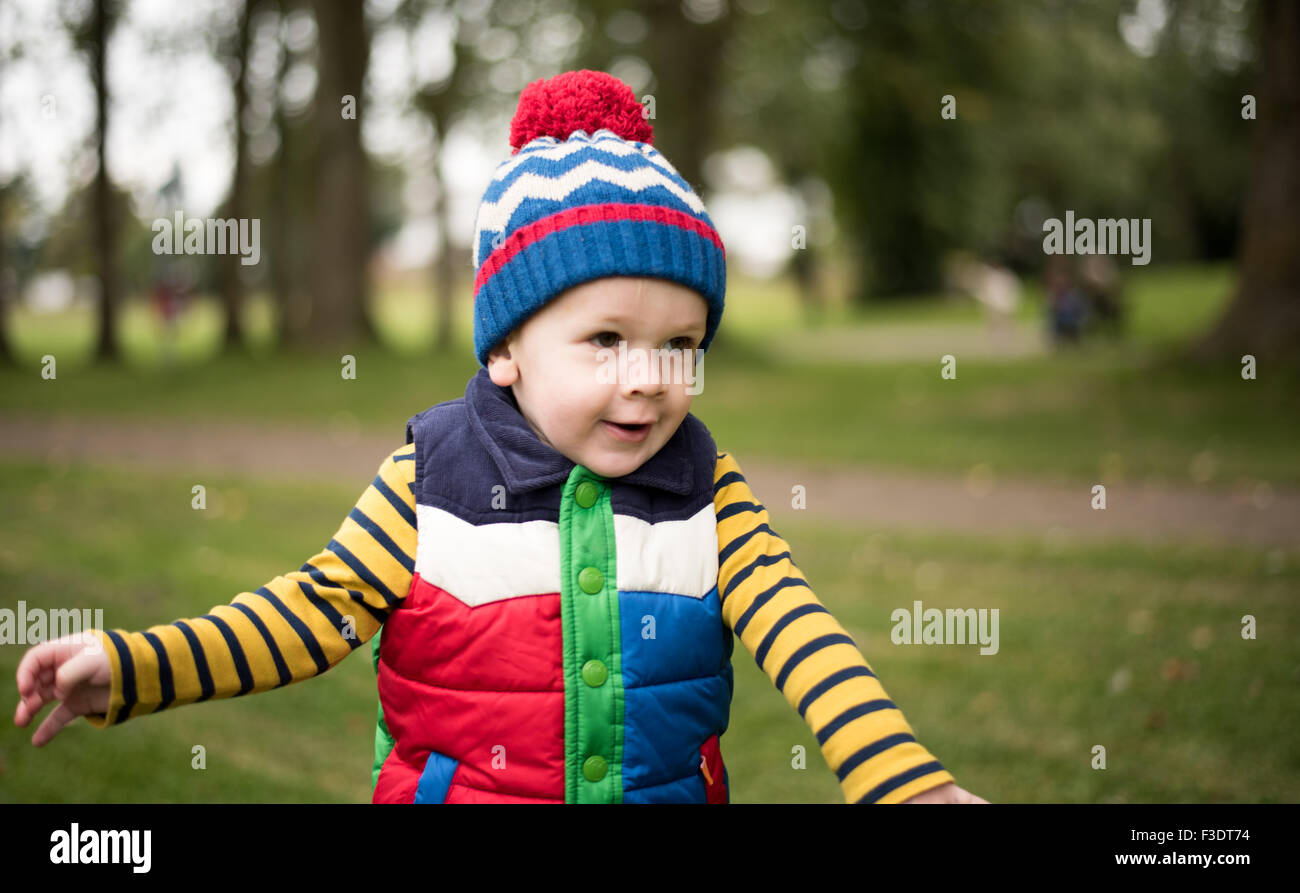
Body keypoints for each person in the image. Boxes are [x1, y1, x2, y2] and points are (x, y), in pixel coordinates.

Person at [14, 70, 986, 805]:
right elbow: (307, 617)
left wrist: (906, 784)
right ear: (506, 352)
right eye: (604, 340)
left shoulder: (707, 488)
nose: (648, 377)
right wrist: (137, 666)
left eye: (680, 344)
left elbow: (805, 638)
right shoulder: (429, 478)